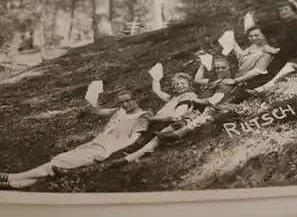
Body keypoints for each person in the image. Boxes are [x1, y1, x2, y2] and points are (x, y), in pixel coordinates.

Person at [0, 88, 151, 189]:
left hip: (104, 150)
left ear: (135, 99)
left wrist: (113, 154)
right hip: (95, 144)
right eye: (122, 102)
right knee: (60, 163)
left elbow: (133, 140)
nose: (125, 104)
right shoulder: (120, 110)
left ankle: (11, 177)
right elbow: (96, 110)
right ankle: (13, 184)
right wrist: (93, 95)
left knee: (60, 161)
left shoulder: (143, 116)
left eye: (128, 101)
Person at [108, 72, 201, 164]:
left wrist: (153, 119)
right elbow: (157, 90)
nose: (179, 85)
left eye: (183, 83)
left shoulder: (188, 96)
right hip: (158, 122)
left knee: (143, 140)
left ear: (189, 84)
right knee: (138, 134)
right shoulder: (174, 97)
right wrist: (156, 75)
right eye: (177, 84)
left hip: (165, 123)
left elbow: (176, 116)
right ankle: (122, 152)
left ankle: (129, 157)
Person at [223, 26, 276, 103]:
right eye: (251, 36)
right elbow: (242, 57)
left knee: (232, 102)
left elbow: (257, 71)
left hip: (256, 82)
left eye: (256, 35)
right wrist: (233, 42)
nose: (253, 38)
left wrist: (237, 81)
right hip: (241, 80)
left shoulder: (267, 51)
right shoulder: (254, 47)